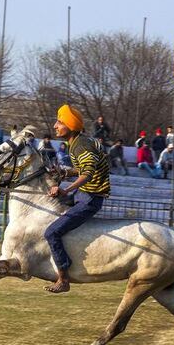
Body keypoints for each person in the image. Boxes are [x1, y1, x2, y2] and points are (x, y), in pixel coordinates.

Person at [44, 104, 110, 293]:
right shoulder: (77, 142)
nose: (55, 126)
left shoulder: (80, 145)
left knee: (51, 233)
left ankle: (63, 279)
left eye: (59, 122)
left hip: (89, 199)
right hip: (83, 194)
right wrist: (66, 173)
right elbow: (86, 168)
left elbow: (88, 173)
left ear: (70, 126)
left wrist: (66, 189)